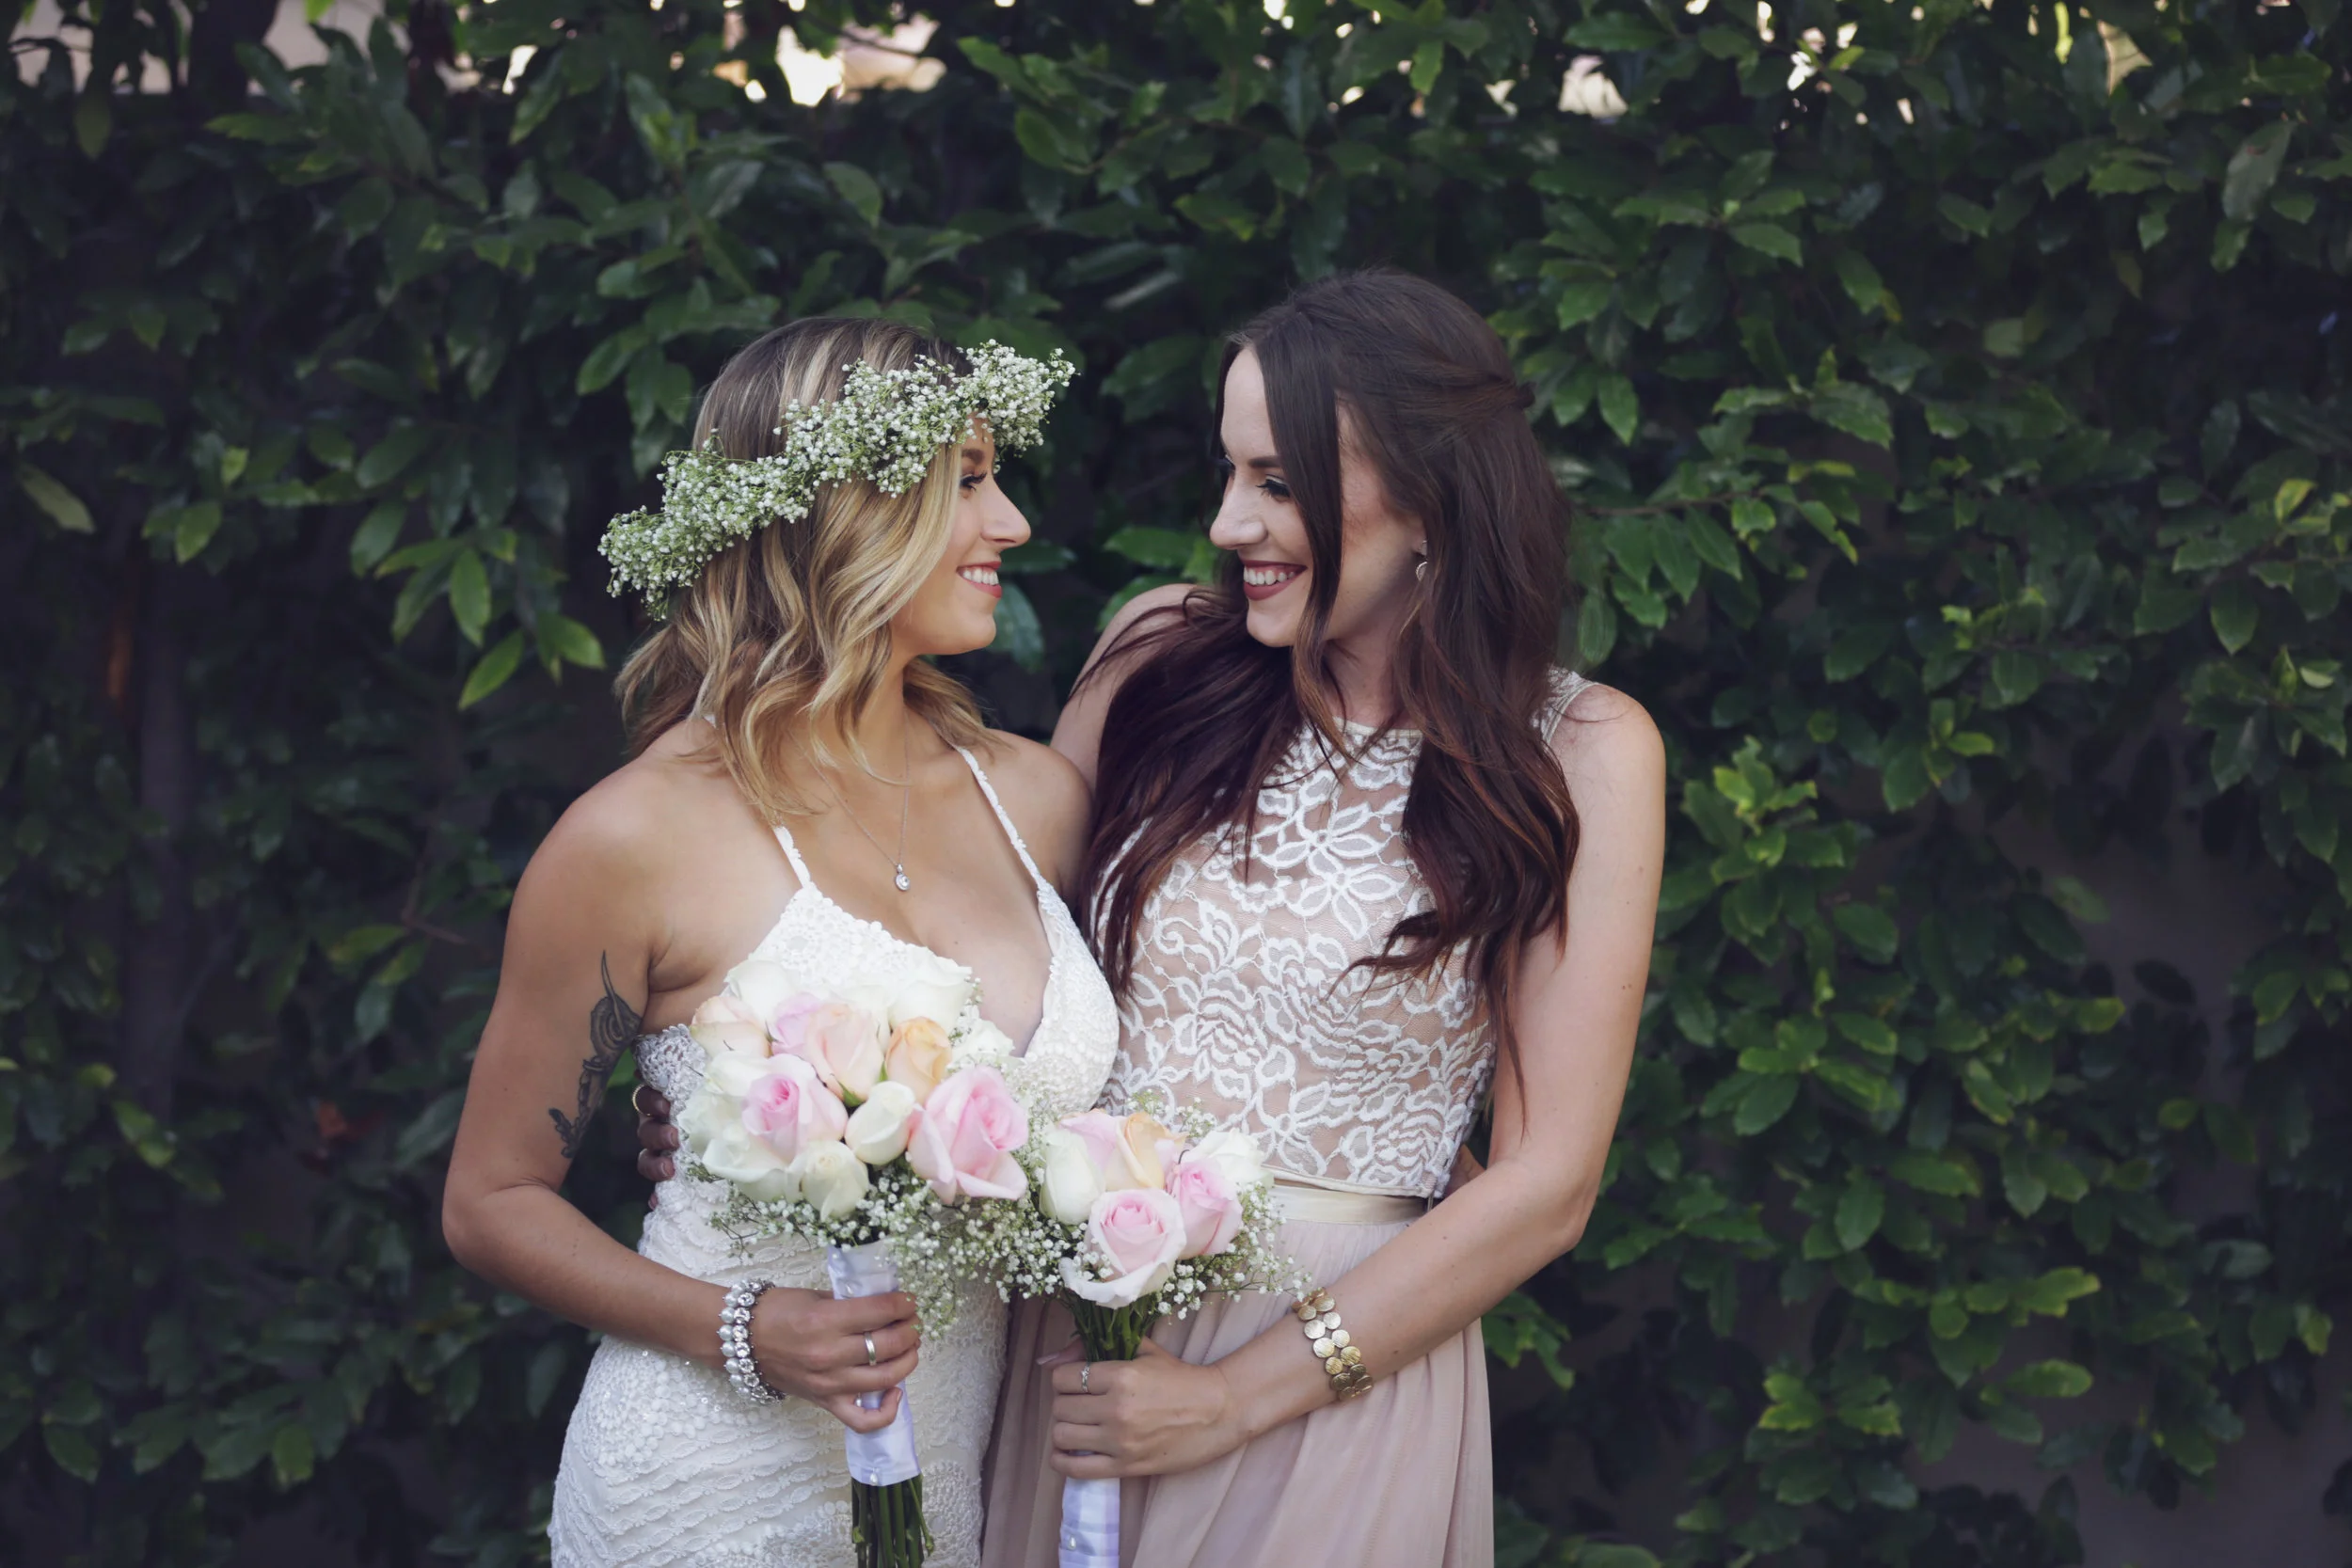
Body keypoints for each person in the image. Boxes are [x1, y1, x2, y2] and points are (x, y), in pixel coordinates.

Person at [980, 269, 1665, 1566]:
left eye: (1281, 483)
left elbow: (1547, 1182)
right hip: (1083, 1351)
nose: (1230, 521)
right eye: (1229, 471)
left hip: (1333, 1381)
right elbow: (998, 953)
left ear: (1432, 499)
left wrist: (1236, 1398)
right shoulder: (1157, 657)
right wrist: (809, 1088)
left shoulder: (1580, 749)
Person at [441, 317, 1120, 1568]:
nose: (1013, 521)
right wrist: (745, 1324)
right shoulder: (637, 836)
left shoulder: (1034, 800)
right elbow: (491, 1202)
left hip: (950, 1494)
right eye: (969, 482)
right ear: (846, 510)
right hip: (701, 1492)